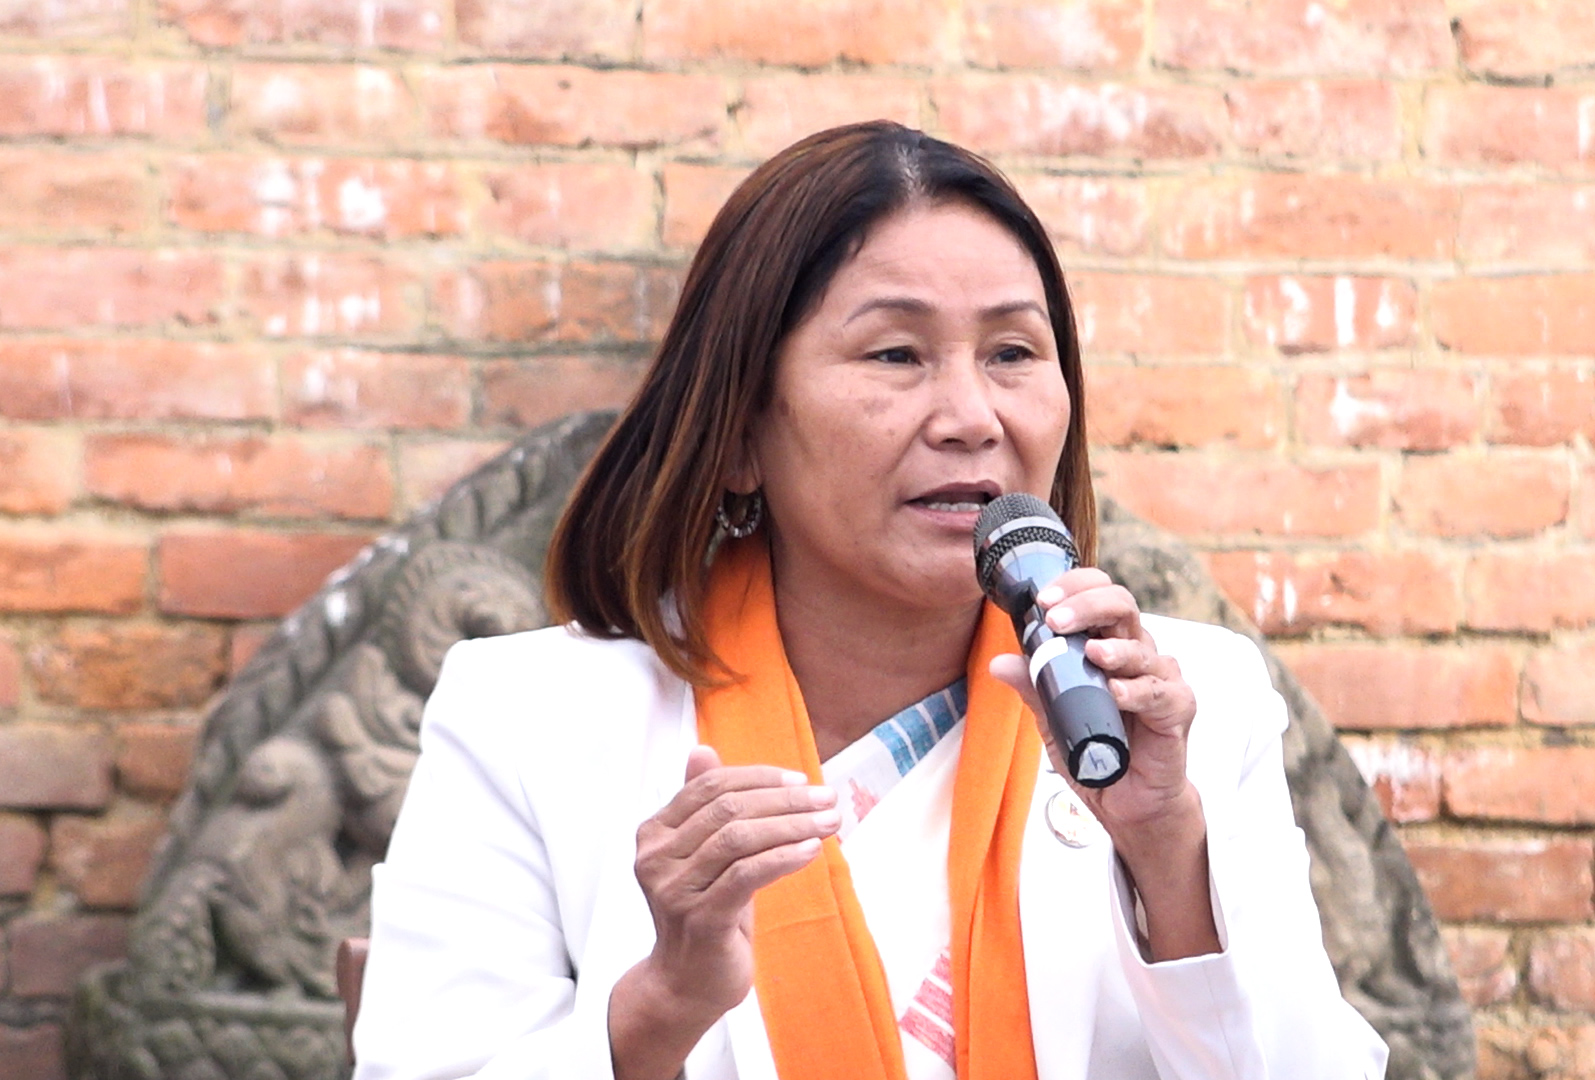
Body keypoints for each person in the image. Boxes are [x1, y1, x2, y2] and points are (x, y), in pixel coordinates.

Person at [352, 121, 1388, 1080]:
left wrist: (1167, 853)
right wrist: (661, 1005)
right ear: (741, 431)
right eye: (896, 354)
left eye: (1013, 354)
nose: (971, 415)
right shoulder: (527, 718)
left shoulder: (1188, 708)